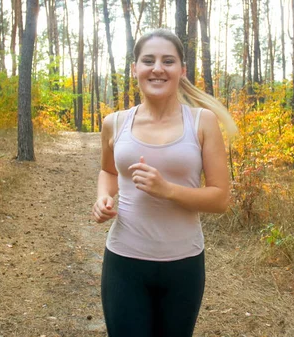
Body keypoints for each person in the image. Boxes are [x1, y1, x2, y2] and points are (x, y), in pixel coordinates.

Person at [92, 28, 237, 337]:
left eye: (168, 61)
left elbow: (221, 199)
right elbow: (109, 172)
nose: (157, 68)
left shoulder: (202, 122)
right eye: (148, 60)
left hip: (183, 264)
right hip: (124, 261)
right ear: (135, 69)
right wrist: (104, 197)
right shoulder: (114, 123)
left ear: (182, 70)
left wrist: (167, 190)